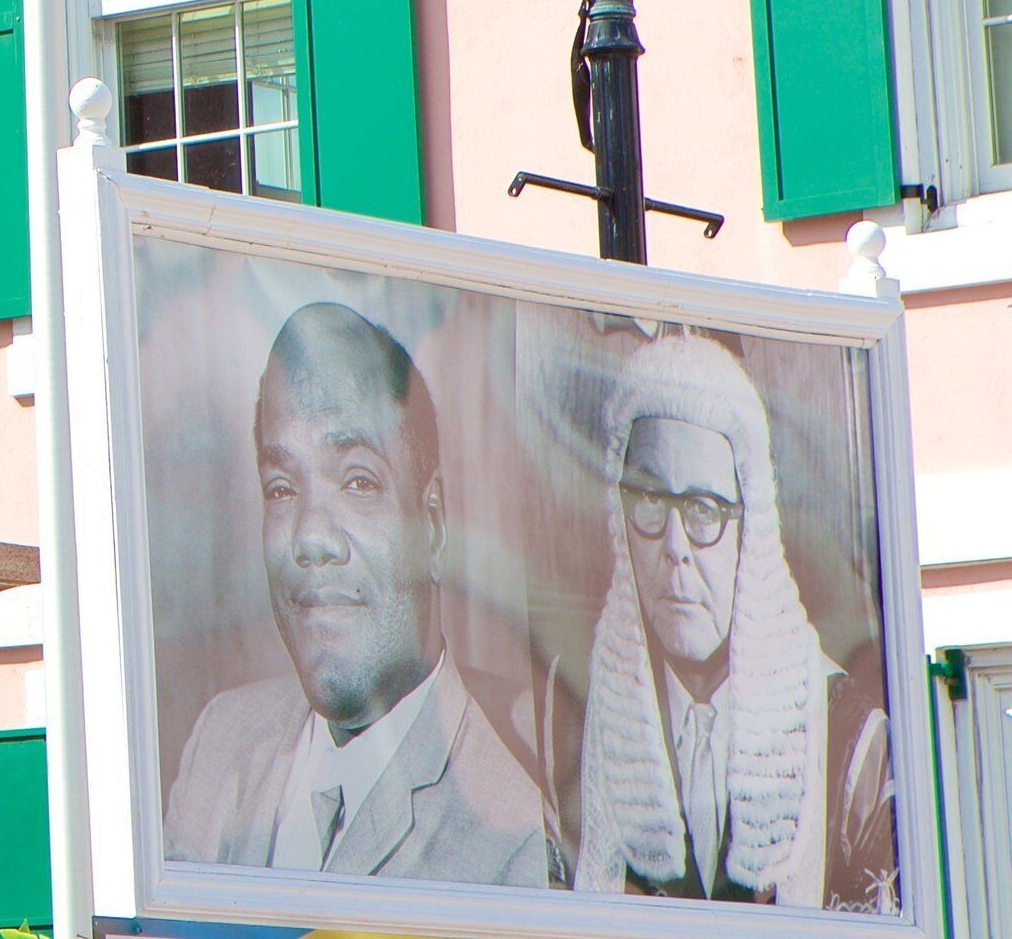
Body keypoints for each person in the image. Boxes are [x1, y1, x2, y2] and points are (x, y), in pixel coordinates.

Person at [160, 302, 555, 885]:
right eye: (281, 487)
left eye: (357, 481)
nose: (311, 537)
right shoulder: (220, 742)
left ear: (434, 528)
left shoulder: (516, 826)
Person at [573, 334, 897, 907]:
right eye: (648, 499)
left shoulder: (852, 743)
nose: (675, 546)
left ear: (752, 531)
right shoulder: (567, 717)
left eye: (703, 509)